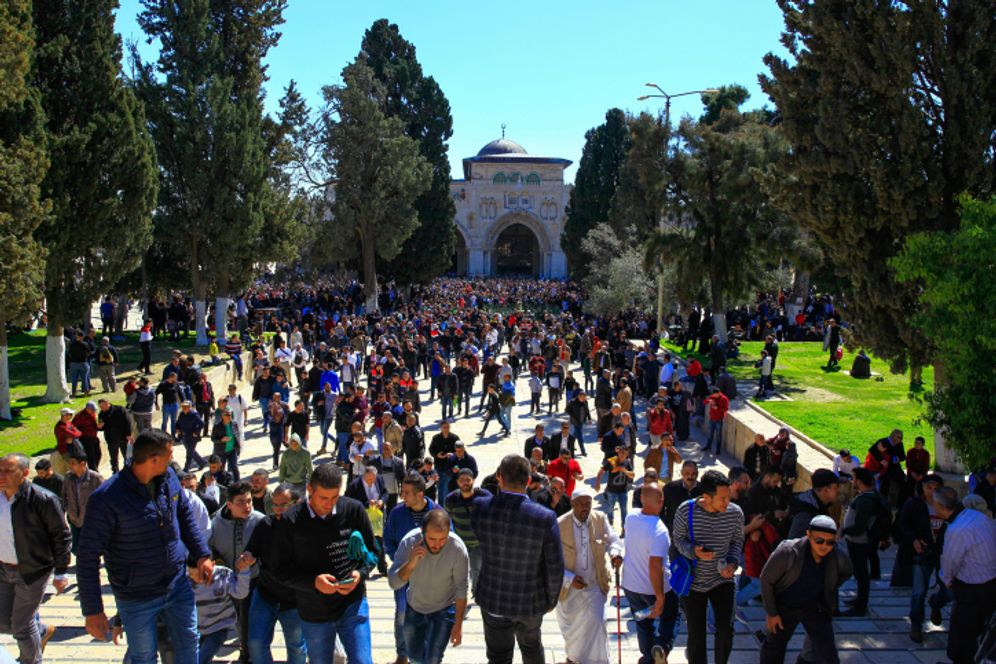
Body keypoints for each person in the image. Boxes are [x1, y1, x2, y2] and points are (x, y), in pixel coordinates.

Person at [77, 430, 214, 664]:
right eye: (169, 454)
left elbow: (184, 514)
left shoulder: (169, 476)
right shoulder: (107, 498)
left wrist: (202, 554)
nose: (172, 459)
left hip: (177, 584)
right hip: (136, 595)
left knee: (189, 641)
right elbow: (87, 557)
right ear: (153, 459)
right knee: (143, 656)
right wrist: (93, 610)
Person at [272, 462, 377, 664]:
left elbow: (373, 551)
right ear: (309, 490)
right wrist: (313, 582)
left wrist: (360, 574)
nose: (329, 504)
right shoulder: (289, 521)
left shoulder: (353, 510)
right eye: (323, 498)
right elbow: (279, 570)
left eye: (334, 497)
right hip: (314, 612)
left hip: (352, 603)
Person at [472, 454, 564, 664]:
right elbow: (555, 566)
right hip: (530, 602)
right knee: (531, 648)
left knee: (498, 656)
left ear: (499, 478)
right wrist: (551, 600)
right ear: (529, 481)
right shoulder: (544, 517)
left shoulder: (481, 508)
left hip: (493, 597)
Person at [0, 453, 71, 664]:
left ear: (24, 474)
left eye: (8, 470)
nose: (1, 475)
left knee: (22, 626)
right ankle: (41, 630)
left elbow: (62, 536)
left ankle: (31, 660)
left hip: (32, 570)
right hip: (3, 569)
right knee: (4, 622)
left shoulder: (43, 499)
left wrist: (61, 572)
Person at [672, 470, 745, 664]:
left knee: (725, 629)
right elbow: (678, 540)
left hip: (723, 579)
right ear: (706, 496)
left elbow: (737, 541)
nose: (727, 502)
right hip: (694, 582)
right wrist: (693, 551)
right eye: (722, 499)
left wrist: (732, 562)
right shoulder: (685, 511)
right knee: (696, 634)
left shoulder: (735, 513)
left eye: (729, 497)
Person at [758, 515, 853, 664]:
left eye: (830, 542)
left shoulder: (837, 555)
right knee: (773, 649)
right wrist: (772, 612)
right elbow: (766, 579)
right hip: (785, 606)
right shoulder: (788, 551)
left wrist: (829, 588)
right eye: (819, 541)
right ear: (808, 535)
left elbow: (847, 572)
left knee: (828, 655)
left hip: (816, 607)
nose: (824, 546)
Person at [388, 509, 470, 664]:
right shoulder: (409, 542)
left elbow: (461, 588)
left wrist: (458, 624)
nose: (437, 545)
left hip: (444, 610)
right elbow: (394, 582)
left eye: (442, 539)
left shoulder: (457, 548)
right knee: (415, 658)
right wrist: (411, 563)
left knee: (432, 659)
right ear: (422, 532)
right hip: (415, 608)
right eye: (432, 539)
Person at [555, 485, 623, 664]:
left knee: (597, 622)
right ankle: (574, 659)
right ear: (573, 504)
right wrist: (569, 579)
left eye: (588, 503)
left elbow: (614, 540)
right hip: (569, 589)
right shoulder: (560, 524)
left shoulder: (600, 519)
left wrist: (616, 553)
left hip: (595, 584)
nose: (585, 507)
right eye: (581, 503)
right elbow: (549, 561)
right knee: (573, 632)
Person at [245, 484, 308, 664]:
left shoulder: (307, 530)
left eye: (284, 504)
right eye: (275, 504)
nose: (279, 510)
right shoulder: (265, 524)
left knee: (296, 647)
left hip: (294, 600)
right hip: (265, 594)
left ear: (298, 503)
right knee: (255, 644)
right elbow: (252, 550)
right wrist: (247, 557)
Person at [933, 486, 996, 664]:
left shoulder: (958, 529)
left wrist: (946, 579)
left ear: (938, 505)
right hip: (990, 584)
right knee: (979, 633)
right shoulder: (977, 516)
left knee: (962, 637)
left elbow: (950, 561)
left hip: (972, 589)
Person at [384, 473, 439, 664]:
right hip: (404, 577)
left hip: (430, 580)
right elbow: (388, 541)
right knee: (402, 616)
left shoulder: (438, 515)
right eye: (402, 491)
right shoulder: (396, 513)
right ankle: (402, 654)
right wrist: (400, 559)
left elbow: (450, 543)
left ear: (420, 494)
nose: (402, 496)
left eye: (406, 492)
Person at [208, 480, 265, 663]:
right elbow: (209, 549)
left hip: (254, 581)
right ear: (229, 504)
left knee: (249, 622)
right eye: (241, 502)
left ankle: (248, 654)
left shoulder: (260, 521)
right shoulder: (215, 523)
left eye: (249, 501)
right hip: (225, 581)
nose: (247, 506)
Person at [622, 481, 678, 664]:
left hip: (631, 586)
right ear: (661, 502)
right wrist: (660, 598)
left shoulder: (630, 517)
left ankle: (648, 657)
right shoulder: (659, 530)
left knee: (643, 622)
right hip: (653, 589)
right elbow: (655, 566)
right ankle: (661, 647)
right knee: (672, 617)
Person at [894, 474, 944, 643]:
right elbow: (903, 524)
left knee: (949, 589)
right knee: (918, 591)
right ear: (922, 488)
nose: (932, 492)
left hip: (944, 554)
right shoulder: (914, 504)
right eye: (928, 488)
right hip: (921, 554)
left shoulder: (946, 505)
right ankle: (916, 624)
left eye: (936, 488)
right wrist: (914, 540)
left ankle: (936, 603)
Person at [839, 467, 889, 617]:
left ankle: (861, 606)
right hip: (859, 541)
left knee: (861, 573)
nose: (851, 480)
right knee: (860, 573)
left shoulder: (865, 500)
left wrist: (844, 531)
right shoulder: (870, 495)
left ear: (859, 481)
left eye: (853, 478)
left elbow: (859, 526)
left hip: (858, 541)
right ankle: (859, 599)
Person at [193, 551, 255, 664]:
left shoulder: (222, 574)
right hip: (197, 629)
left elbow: (240, 593)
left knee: (200, 660)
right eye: (195, 576)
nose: (200, 580)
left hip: (219, 626)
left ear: (212, 564)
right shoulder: (185, 581)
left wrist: (244, 571)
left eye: (204, 574)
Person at [444, 469, 490, 594]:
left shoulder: (484, 497)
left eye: (467, 480)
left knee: (476, 570)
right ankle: (461, 595)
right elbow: (445, 520)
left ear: (473, 480)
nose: (465, 483)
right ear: (457, 482)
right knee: (460, 572)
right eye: (461, 480)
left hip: (479, 544)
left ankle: (476, 593)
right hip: (460, 544)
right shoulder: (451, 500)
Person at [62, 444, 104, 554]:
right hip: (74, 518)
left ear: (82, 464)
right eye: (70, 463)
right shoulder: (68, 477)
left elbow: (105, 497)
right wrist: (68, 508)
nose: (70, 466)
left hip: (90, 519)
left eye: (73, 464)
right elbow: (64, 495)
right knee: (75, 548)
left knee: (92, 546)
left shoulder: (95, 478)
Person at [787, 468, 840, 538]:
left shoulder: (820, 504)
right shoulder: (805, 513)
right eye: (836, 488)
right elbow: (793, 544)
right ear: (826, 490)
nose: (838, 491)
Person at [595, 444, 634, 528]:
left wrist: (624, 470)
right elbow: (601, 471)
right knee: (610, 509)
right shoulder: (612, 461)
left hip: (623, 491)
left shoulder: (628, 462)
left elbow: (632, 475)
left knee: (624, 510)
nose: (622, 455)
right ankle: (610, 525)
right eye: (621, 453)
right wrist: (597, 483)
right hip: (611, 491)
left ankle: (624, 527)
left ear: (627, 454)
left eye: (624, 453)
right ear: (618, 452)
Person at [662, 460, 701, 533]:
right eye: (687, 473)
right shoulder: (670, 488)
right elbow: (661, 510)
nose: (690, 476)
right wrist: (666, 528)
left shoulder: (703, 490)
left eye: (693, 474)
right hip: (673, 533)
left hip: (696, 534)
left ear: (697, 474)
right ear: (681, 473)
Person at [98, 398, 132, 474]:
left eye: (103, 406)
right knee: (113, 457)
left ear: (108, 403)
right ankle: (115, 471)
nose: (102, 408)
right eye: (100, 407)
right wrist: (100, 427)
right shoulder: (101, 414)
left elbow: (127, 422)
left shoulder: (120, 409)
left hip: (122, 437)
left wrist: (128, 434)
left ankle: (128, 470)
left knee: (126, 455)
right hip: (111, 439)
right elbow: (102, 427)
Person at [211, 407, 241, 482]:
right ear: (222, 416)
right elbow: (213, 439)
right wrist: (221, 440)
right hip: (221, 452)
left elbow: (237, 436)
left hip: (232, 450)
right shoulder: (217, 426)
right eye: (227, 415)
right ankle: (222, 483)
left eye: (230, 415)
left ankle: (237, 483)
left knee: (234, 467)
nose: (229, 416)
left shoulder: (234, 424)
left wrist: (238, 448)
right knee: (221, 468)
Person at [702, 386, 729, 455]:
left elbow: (725, 409)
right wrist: (709, 401)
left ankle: (718, 449)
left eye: (714, 395)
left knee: (718, 435)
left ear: (718, 393)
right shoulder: (712, 397)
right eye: (713, 395)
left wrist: (717, 408)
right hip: (712, 418)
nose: (713, 396)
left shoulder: (724, 399)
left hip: (719, 419)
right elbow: (704, 401)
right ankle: (708, 446)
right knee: (710, 434)